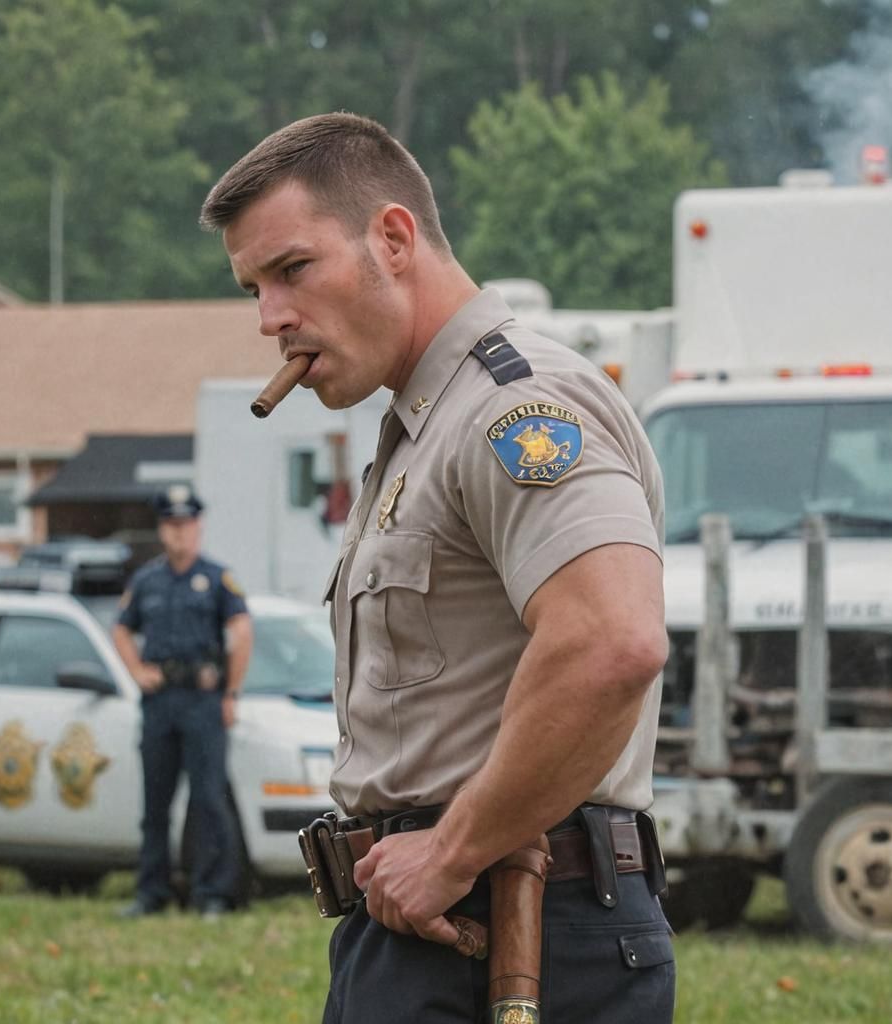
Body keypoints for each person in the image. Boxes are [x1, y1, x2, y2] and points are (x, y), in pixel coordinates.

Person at [201, 113, 673, 1021]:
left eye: (292, 269)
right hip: (439, 927)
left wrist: (453, 852)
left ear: (393, 237)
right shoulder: (427, 423)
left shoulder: (514, 406)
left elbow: (612, 640)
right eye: (254, 287)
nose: (271, 318)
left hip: (520, 928)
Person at [113, 485, 253, 920]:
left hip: (202, 700)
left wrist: (231, 692)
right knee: (155, 803)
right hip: (159, 702)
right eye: (172, 526)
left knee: (209, 800)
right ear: (162, 530)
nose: (180, 533)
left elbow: (242, 631)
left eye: (187, 524)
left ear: (199, 526)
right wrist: (137, 671)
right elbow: (121, 629)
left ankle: (210, 893)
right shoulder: (146, 580)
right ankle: (151, 891)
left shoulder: (217, 578)